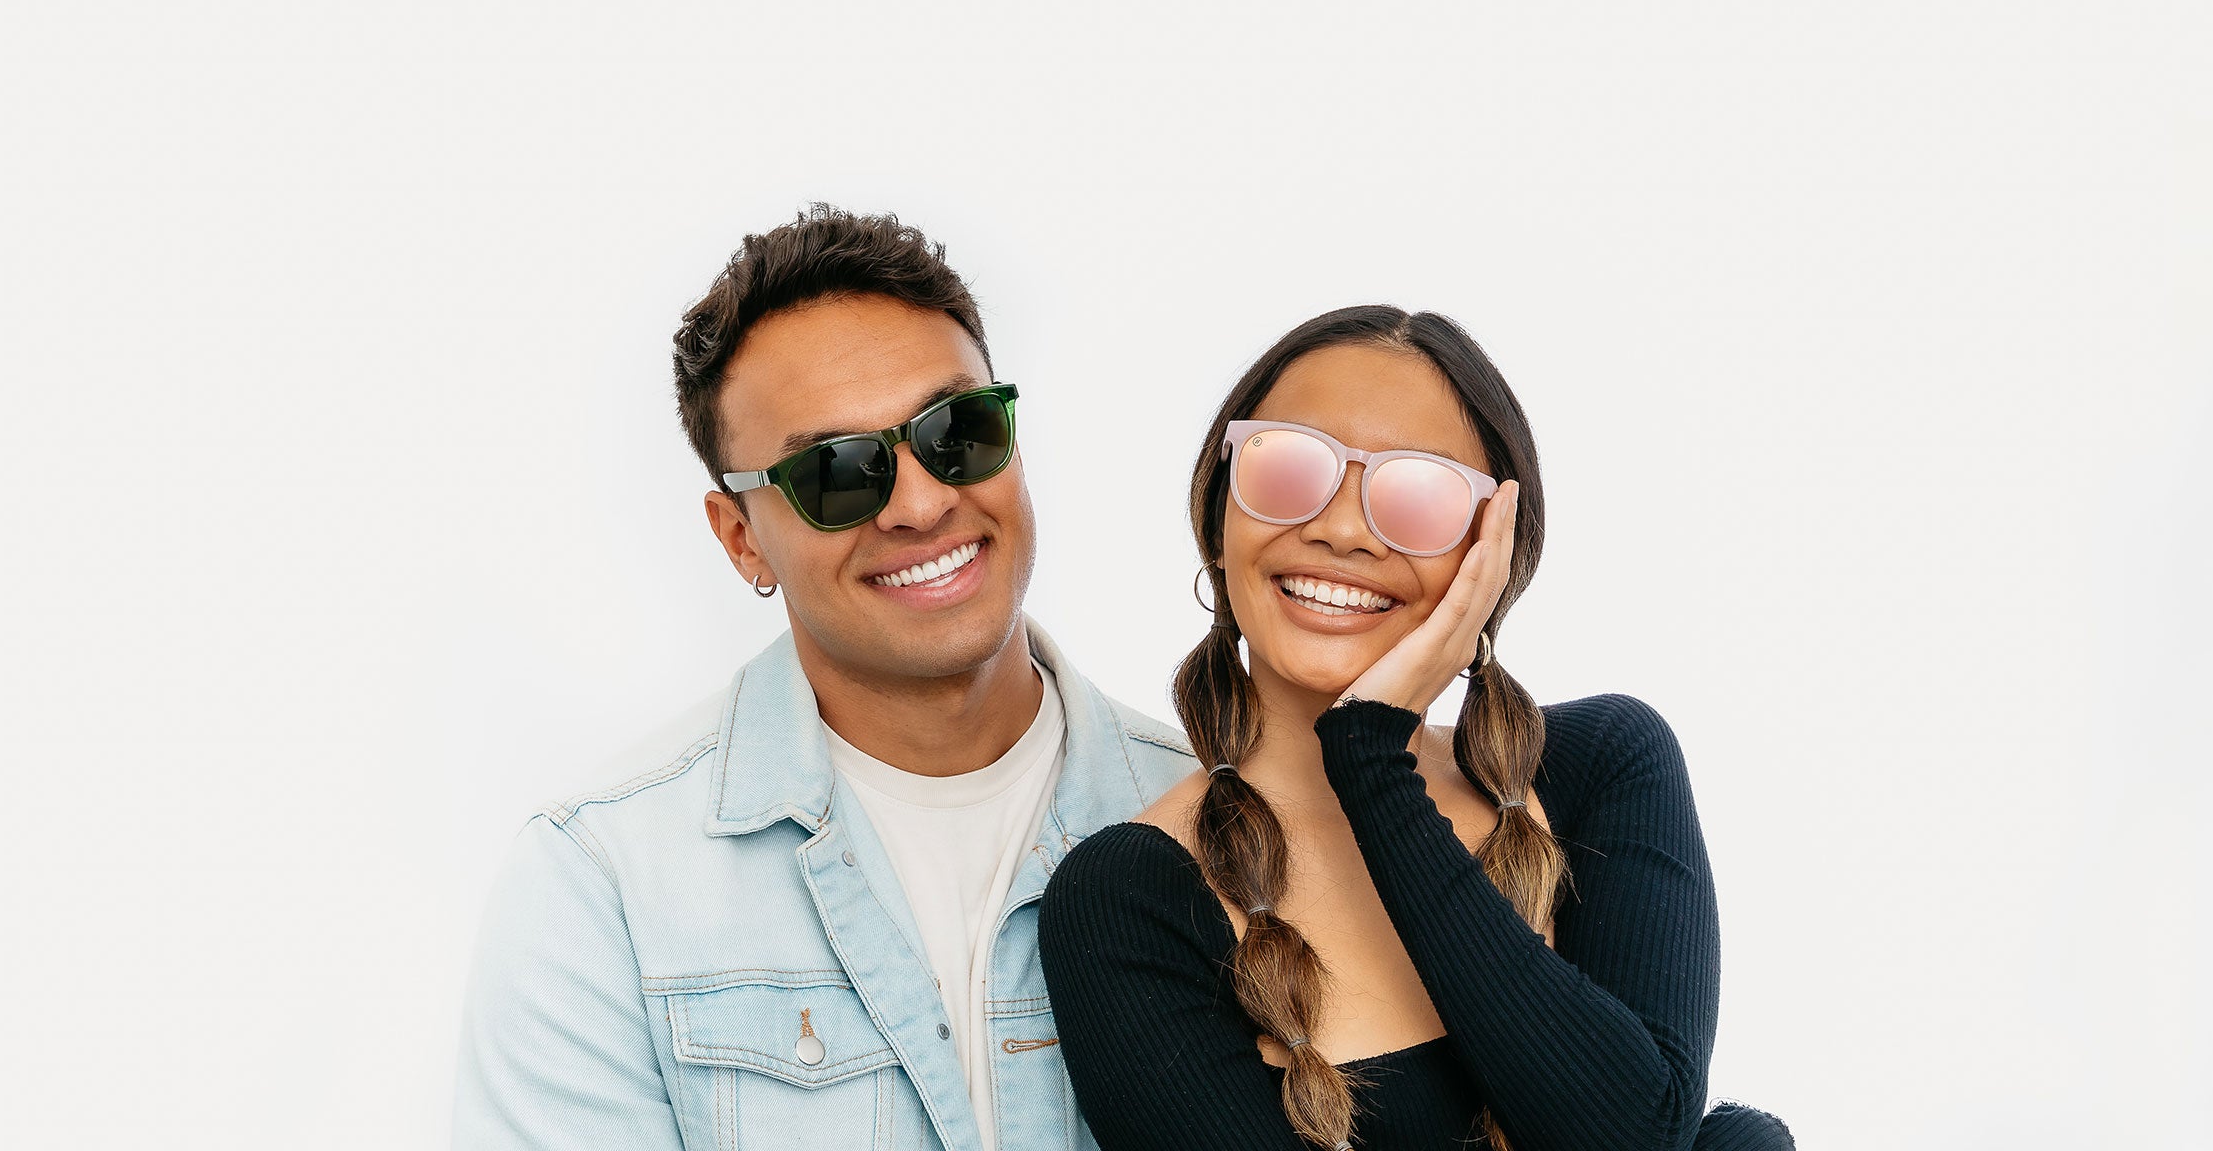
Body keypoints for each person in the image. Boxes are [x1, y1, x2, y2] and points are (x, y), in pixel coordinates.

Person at [453, 206, 1198, 1150]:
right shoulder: (606, 887)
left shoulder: (1226, 821)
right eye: (839, 473)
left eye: (958, 430)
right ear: (740, 538)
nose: (923, 503)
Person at [1038, 307, 1793, 1151]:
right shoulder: (1126, 898)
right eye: (1288, 468)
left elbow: (1629, 1137)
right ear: (1221, 520)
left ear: (1494, 552)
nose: (1343, 529)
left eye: (1421, 494)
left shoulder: (1601, 769)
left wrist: (1374, 760)